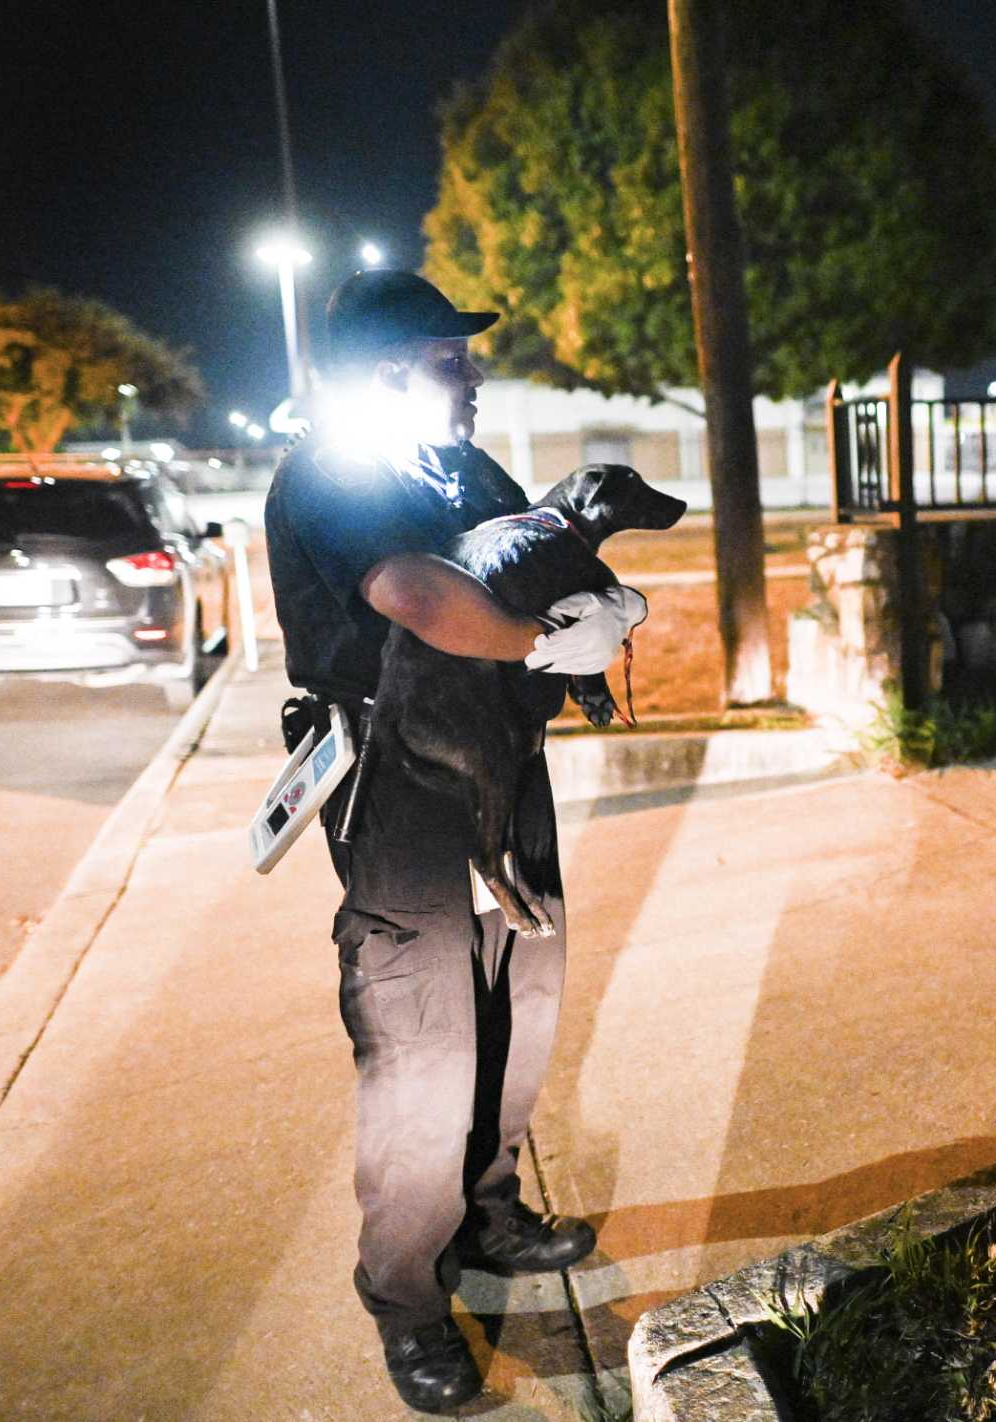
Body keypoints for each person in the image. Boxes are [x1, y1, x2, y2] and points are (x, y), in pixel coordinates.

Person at [264, 270, 639, 1412]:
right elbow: (420, 596)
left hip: (501, 767)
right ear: (383, 374)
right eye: (447, 360)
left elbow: (549, 549)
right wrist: (537, 643)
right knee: (421, 1039)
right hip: (397, 783)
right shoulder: (334, 472)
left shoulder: (465, 469)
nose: (471, 376)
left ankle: (489, 1214)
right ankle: (410, 1301)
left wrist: (608, 607)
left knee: (520, 1000)